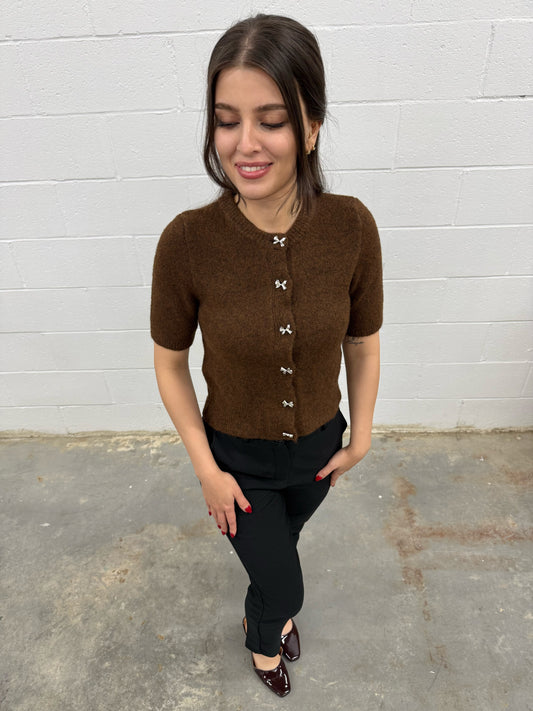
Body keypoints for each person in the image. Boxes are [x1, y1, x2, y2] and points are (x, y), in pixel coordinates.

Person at [150, 14, 383, 698]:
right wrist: (207, 471)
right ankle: (264, 638)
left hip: (319, 452)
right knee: (284, 583)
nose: (244, 144)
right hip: (237, 463)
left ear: (310, 127)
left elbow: (361, 340)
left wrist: (361, 433)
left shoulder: (350, 226)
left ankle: (269, 610)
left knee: (279, 554)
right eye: (226, 121)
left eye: (271, 120)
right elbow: (169, 362)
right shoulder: (187, 242)